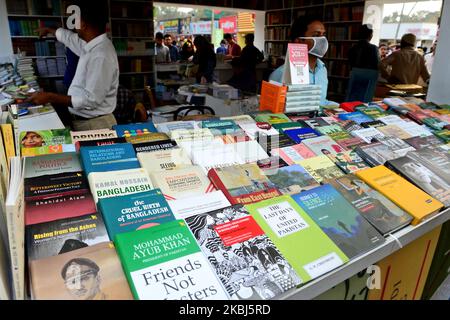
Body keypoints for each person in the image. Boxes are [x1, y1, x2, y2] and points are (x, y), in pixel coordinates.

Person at [28, 0, 118, 131]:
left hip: (96, 125)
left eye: (75, 20)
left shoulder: (100, 54)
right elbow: (70, 39)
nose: (74, 25)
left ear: (83, 23)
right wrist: (50, 30)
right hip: (88, 122)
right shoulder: (91, 45)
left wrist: (50, 97)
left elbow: (90, 100)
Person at [269, 16, 336, 106]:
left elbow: (321, 102)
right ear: (299, 41)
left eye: (323, 35)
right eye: (316, 35)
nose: (323, 40)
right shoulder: (282, 73)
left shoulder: (322, 69)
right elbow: (273, 108)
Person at [346, 24, 379, 102]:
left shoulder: (352, 48)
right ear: (370, 35)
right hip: (369, 77)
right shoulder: (373, 48)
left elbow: (350, 63)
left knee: (351, 98)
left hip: (354, 74)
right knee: (365, 100)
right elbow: (376, 64)